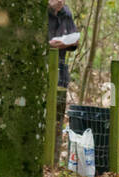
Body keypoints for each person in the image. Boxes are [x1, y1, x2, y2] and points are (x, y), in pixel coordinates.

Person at [47, 0, 81, 166]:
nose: (60, 1)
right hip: (42, 66)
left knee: (58, 115)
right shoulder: (38, 12)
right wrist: (49, 45)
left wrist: (70, 42)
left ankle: (53, 159)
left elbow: (74, 38)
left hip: (60, 68)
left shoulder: (66, 13)